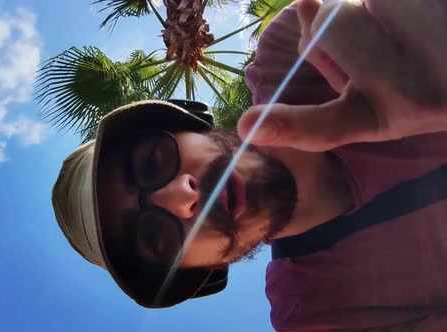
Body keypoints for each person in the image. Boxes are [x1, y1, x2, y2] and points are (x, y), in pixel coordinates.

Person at [52, 0, 447, 330]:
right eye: (156, 236)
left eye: (153, 162)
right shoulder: (322, 316)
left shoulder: (300, 53)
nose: (183, 196)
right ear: (200, 270)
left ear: (192, 126)